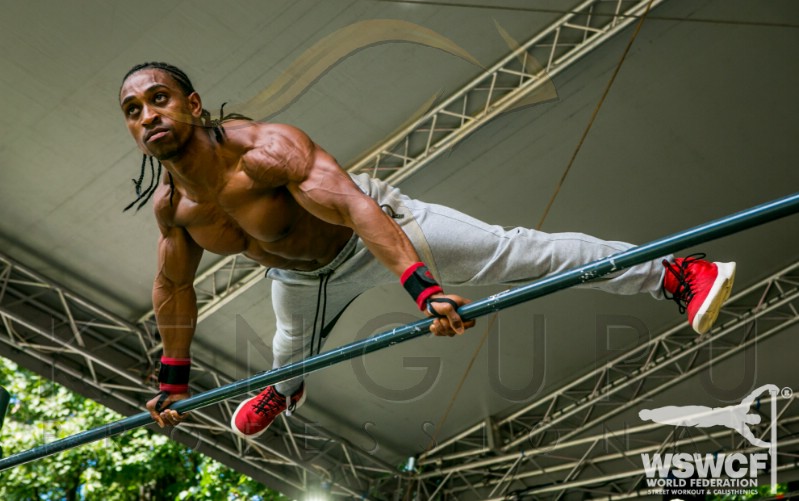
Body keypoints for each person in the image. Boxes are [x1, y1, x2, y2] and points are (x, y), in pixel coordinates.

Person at [118, 62, 736, 438]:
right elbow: (174, 287)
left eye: (159, 98)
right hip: (301, 279)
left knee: (518, 254)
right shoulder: (173, 210)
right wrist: (174, 381)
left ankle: (675, 272)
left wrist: (423, 288)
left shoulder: (266, 149)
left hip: (377, 232)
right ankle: (287, 389)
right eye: (133, 110)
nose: (148, 114)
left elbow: (353, 207)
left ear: (192, 105)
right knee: (287, 355)